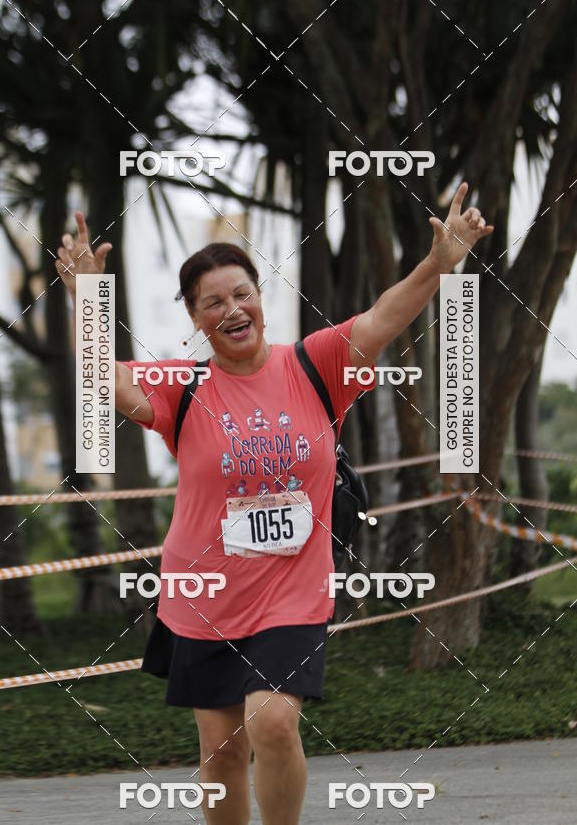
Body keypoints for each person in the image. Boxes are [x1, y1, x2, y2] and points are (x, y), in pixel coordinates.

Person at [56, 183, 492, 824]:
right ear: (195, 317)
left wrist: (437, 264)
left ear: (261, 298)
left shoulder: (315, 365)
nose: (231, 310)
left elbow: (383, 318)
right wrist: (87, 298)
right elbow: (104, 380)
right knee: (221, 748)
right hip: (203, 590)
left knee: (272, 721)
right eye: (212, 303)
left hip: (293, 587)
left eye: (242, 293)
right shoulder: (186, 386)